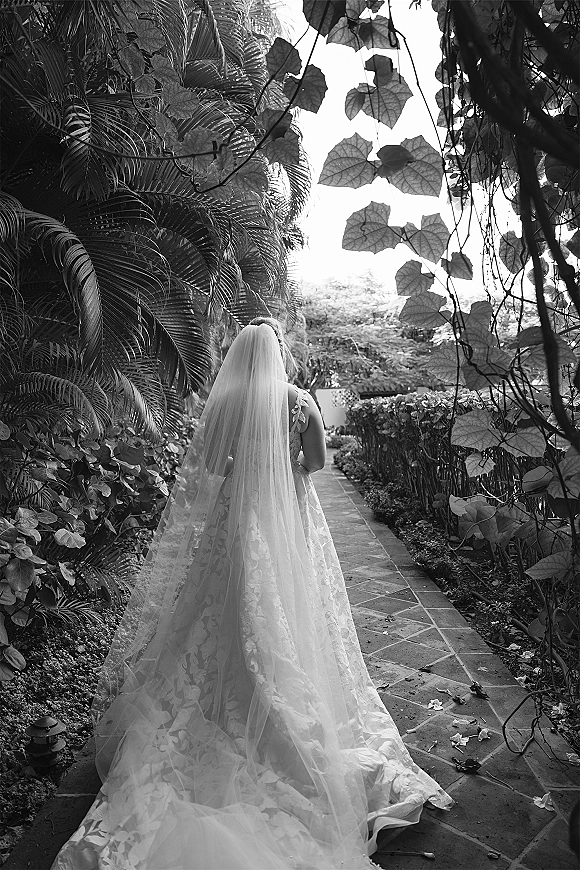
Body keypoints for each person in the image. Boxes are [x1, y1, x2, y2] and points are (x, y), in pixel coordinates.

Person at [51, 320, 452, 870]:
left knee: (219, 601)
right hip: (286, 518)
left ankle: (218, 692)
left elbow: (212, 465)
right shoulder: (299, 401)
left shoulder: (226, 402)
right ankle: (279, 694)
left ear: (240, 356)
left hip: (234, 517)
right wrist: (280, 466)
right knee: (286, 604)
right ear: (278, 353)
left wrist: (247, 467)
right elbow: (317, 464)